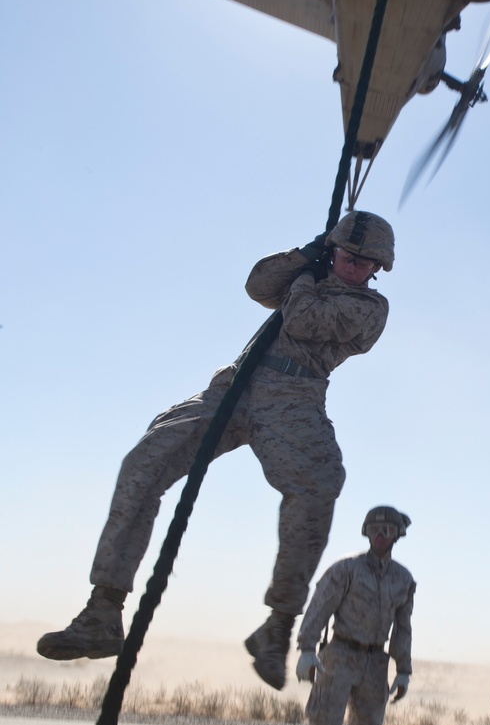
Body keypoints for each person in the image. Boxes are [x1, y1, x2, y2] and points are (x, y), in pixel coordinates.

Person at [36, 211, 395, 692]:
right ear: (334, 250)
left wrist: (310, 274)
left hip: (295, 399)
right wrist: (303, 256)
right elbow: (258, 284)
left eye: (364, 261)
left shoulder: (370, 308)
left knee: (318, 487)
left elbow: (304, 318)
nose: (354, 266)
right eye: (347, 255)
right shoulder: (306, 273)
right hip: (234, 383)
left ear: (378, 268)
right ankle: (102, 612)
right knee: (143, 462)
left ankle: (278, 627)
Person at [295, 505, 415, 725]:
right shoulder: (345, 570)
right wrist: (306, 648)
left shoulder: (403, 580)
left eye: (387, 531)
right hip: (339, 656)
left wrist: (403, 669)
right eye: (375, 530)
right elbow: (320, 606)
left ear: (397, 536)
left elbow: (403, 628)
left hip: (375, 663)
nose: (381, 536)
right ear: (366, 533)